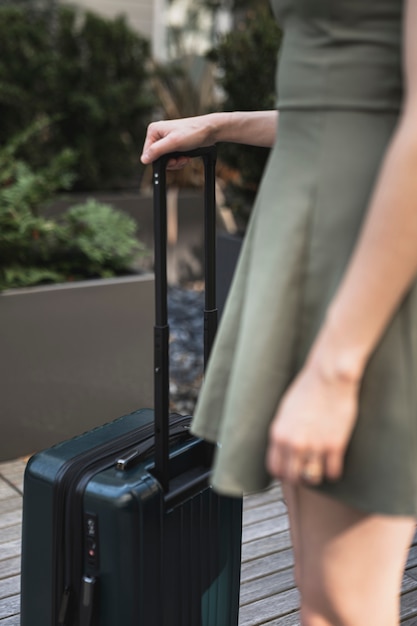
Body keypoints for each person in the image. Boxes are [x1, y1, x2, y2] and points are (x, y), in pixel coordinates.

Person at [141, 1, 417, 624]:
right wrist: (220, 126)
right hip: (315, 237)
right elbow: (347, 100)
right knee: (322, 592)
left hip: (367, 251)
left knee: (346, 603)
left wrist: (337, 369)